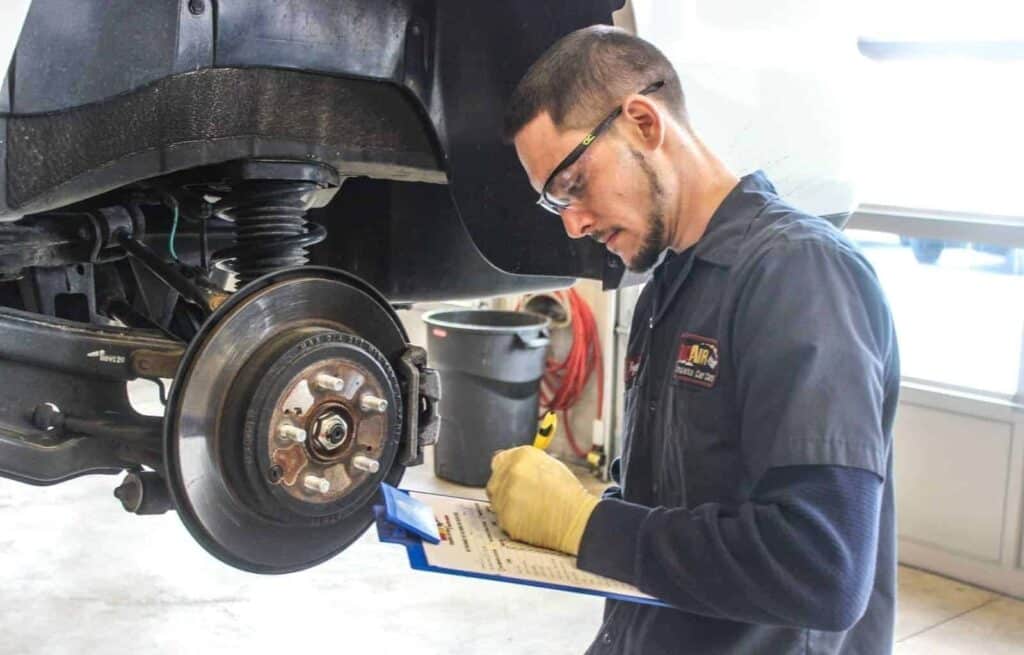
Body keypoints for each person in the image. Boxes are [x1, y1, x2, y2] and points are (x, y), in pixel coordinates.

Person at [486, 25, 899, 655]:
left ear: (644, 124)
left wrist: (585, 523)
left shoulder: (800, 275)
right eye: (553, 203)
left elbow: (823, 568)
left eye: (573, 183)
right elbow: (676, 508)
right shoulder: (668, 289)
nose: (573, 224)